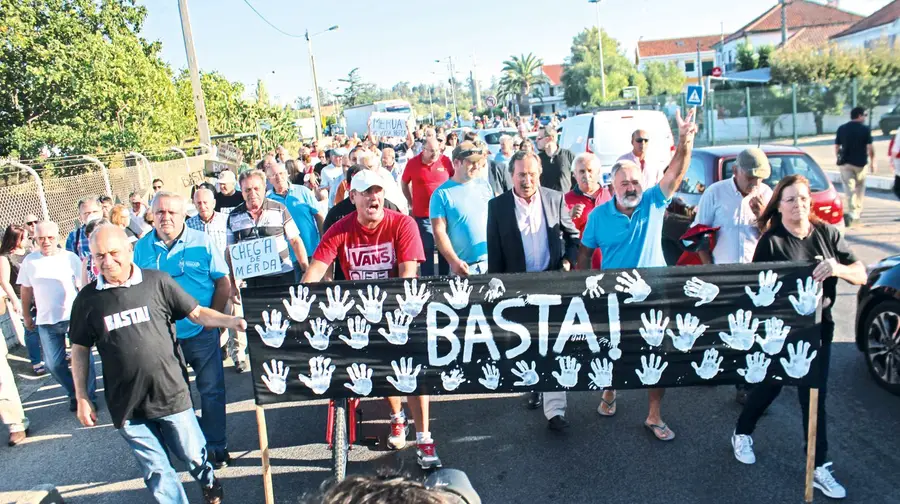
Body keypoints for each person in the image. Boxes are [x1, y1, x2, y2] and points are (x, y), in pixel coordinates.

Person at [70, 224, 244, 504]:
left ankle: (208, 481)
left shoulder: (157, 282)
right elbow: (79, 349)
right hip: (127, 404)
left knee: (192, 453)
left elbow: (197, 313)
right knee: (157, 471)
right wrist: (81, 396)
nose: (107, 261)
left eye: (114, 253)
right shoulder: (87, 301)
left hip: (170, 393)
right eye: (99, 256)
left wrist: (232, 321)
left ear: (129, 250)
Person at [731, 175, 866, 500]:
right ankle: (742, 431)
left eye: (804, 198)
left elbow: (861, 273)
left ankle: (818, 465)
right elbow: (760, 290)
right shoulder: (772, 242)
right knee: (771, 386)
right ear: (779, 204)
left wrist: (837, 269)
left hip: (819, 332)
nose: (799, 205)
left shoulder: (828, 235)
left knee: (813, 396)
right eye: (791, 199)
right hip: (781, 333)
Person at [302, 170, 441, 470]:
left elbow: (408, 274)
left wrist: (400, 314)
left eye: (377, 191)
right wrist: (299, 305)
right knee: (383, 374)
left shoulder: (403, 224)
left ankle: (425, 437)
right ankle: (396, 417)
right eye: (365, 192)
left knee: (413, 373)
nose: (373, 197)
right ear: (353, 198)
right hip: (359, 314)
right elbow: (314, 273)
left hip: (399, 307)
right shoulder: (340, 229)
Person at [575, 108, 698, 441]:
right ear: (611, 186)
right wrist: (582, 289)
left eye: (634, 181)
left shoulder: (654, 201)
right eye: (623, 182)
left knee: (656, 353)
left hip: (655, 294)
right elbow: (584, 253)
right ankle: (610, 390)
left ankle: (654, 416)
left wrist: (685, 141)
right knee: (612, 350)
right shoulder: (598, 217)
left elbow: (676, 171)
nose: (630, 186)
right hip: (613, 297)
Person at [134, 192, 234, 468]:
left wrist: (210, 320)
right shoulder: (141, 248)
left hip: (200, 334)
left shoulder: (202, 243)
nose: (166, 217)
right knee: (176, 397)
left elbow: (223, 283)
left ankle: (216, 446)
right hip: (162, 340)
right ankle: (193, 445)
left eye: (172, 212)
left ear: (183, 215)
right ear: (152, 214)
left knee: (212, 391)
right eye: (160, 212)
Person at [486, 150, 580, 424]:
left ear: (539, 174)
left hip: (551, 283)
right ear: (511, 176)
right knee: (528, 344)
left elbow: (573, 237)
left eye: (531, 174)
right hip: (518, 288)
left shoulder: (555, 198)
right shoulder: (498, 206)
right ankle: (534, 384)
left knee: (552, 344)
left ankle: (555, 411)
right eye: (521, 175)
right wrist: (499, 292)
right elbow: (495, 255)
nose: (526, 180)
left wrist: (566, 263)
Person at [692, 147, 773, 404]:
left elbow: (775, 238)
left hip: (754, 275)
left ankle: (745, 385)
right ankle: (712, 369)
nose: (755, 183)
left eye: (759, 178)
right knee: (719, 327)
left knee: (748, 331)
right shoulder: (715, 193)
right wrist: (709, 269)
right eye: (750, 177)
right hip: (722, 273)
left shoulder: (766, 194)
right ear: (736, 171)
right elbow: (698, 235)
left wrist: (763, 218)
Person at [19, 221, 98, 411]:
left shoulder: (70, 258)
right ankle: (75, 393)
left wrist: (88, 313)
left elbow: (83, 287)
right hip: (46, 321)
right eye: (41, 238)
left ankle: (88, 397)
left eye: (50, 238)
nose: (46, 242)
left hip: (73, 317)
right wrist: (26, 316)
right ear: (35, 239)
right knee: (53, 364)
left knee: (85, 359)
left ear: (57, 237)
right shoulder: (30, 261)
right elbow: (26, 290)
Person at [225, 170, 308, 298]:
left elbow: (295, 241)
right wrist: (232, 283)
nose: (252, 194)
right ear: (241, 191)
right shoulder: (233, 216)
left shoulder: (279, 208)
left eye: (256, 188)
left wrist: (305, 270)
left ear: (264, 188)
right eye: (247, 190)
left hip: (282, 276)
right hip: (251, 281)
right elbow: (229, 251)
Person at [322, 165, 402, 281]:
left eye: (373, 189)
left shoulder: (390, 209)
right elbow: (325, 257)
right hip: (348, 286)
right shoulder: (336, 214)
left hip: (387, 285)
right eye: (365, 191)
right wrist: (329, 284)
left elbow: (406, 257)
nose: (372, 197)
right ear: (350, 189)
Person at [431, 141, 493, 276]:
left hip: (492, 263)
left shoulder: (485, 186)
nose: (476, 166)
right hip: (464, 268)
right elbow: (439, 232)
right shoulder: (440, 195)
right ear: (457, 163)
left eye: (478, 161)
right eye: (471, 162)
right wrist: (453, 261)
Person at [402, 137, 454, 277]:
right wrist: (411, 202)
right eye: (431, 151)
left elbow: (454, 180)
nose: (435, 154)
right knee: (427, 248)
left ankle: (445, 278)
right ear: (423, 150)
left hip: (445, 214)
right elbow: (404, 183)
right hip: (423, 214)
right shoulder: (413, 164)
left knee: (444, 246)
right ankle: (428, 279)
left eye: (437, 150)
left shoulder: (445, 161)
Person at [0, 224, 44, 375]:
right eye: (23, 238)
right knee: (30, 329)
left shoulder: (29, 252)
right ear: (15, 239)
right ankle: (36, 362)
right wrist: (14, 300)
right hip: (22, 297)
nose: (26, 240)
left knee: (45, 327)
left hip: (38, 294)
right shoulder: (5, 257)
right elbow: (5, 281)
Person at [265, 161, 324, 267]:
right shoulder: (267, 200)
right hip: (285, 259)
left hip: (311, 250)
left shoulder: (303, 191)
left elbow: (319, 216)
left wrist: (323, 240)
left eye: (281, 173)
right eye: (274, 175)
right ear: (269, 179)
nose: (279, 178)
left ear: (287, 174)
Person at [564, 154, 610, 270]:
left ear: (598, 172)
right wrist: (568, 217)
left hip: (609, 264)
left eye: (590, 171)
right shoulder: (565, 200)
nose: (586, 175)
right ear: (574, 175)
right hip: (581, 268)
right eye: (581, 171)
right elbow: (558, 234)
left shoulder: (610, 196)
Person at [835, 106, 875, 226]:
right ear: (859, 115)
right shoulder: (865, 129)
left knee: (849, 188)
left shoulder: (842, 128)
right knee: (860, 188)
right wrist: (873, 162)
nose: (865, 118)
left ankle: (852, 211)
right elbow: (870, 147)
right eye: (865, 115)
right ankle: (857, 211)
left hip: (845, 163)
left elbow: (837, 146)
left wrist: (838, 157)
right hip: (861, 164)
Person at [187, 187, 229, 254]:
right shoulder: (189, 225)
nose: (202, 207)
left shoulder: (226, 220)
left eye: (205, 202)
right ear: (194, 205)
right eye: (199, 203)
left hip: (221, 262)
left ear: (213, 203)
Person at [536, 125, 574, 193]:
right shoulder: (537, 159)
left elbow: (576, 179)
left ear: (550, 138)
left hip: (565, 200)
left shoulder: (568, 155)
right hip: (547, 201)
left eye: (539, 138)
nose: (536, 141)